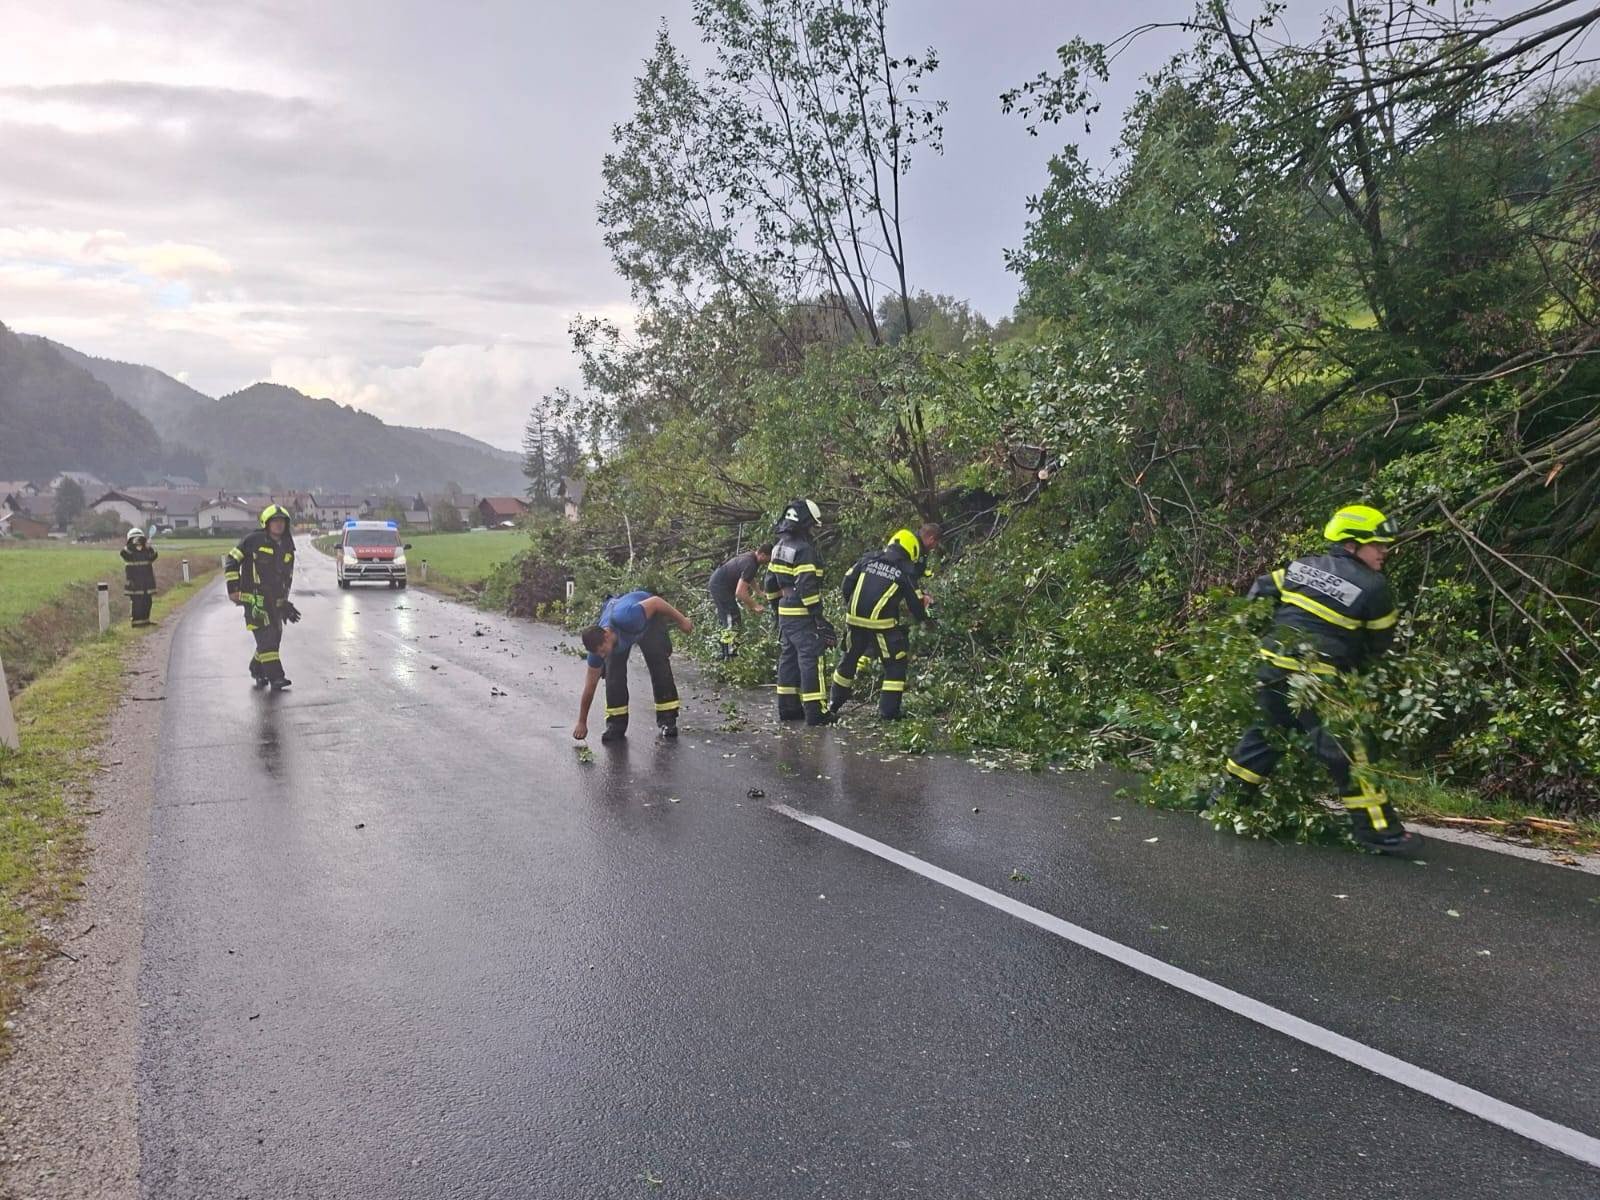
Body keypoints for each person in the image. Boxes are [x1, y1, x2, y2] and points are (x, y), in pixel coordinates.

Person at [1213, 504, 1422, 855]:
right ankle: (1379, 831)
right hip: (1318, 685)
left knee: (1264, 739)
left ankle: (1225, 801)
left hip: (1271, 672)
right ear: (1351, 544)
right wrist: (1357, 674)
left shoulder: (1300, 567)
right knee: (1352, 755)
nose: (1385, 551)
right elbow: (1378, 644)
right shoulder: (1374, 587)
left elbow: (1259, 593)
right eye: (1377, 544)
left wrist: (1264, 633)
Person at [829, 529, 933, 720]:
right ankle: (889, 713)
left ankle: (833, 704)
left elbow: (847, 583)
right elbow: (915, 605)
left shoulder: (868, 559)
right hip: (881, 625)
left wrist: (852, 605)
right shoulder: (905, 570)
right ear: (911, 549)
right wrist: (925, 618)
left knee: (849, 659)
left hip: (854, 620)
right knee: (895, 664)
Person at [573, 590, 693, 743]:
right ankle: (616, 725)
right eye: (599, 653)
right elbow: (589, 688)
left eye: (602, 650)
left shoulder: (628, 617)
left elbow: (656, 602)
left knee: (658, 663)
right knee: (613, 674)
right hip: (624, 631)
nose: (601, 655)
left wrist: (682, 621)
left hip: (649, 622)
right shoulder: (597, 651)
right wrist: (582, 722)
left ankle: (668, 721)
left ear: (606, 635)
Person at [763, 498, 836, 726]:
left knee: (789, 658)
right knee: (811, 657)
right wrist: (817, 616)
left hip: (785, 609)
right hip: (802, 612)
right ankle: (816, 711)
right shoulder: (804, 550)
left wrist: (776, 609)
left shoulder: (778, 547)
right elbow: (807, 586)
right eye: (812, 525)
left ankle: (788, 708)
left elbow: (769, 583)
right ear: (805, 523)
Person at [225, 504, 301, 691]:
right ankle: (276, 677)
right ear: (266, 523)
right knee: (267, 637)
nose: (278, 524)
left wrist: (284, 602)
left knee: (274, 637)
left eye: (282, 521)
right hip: (255, 599)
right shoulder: (253, 540)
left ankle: (256, 668)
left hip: (275, 601)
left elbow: (287, 576)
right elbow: (232, 560)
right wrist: (233, 589)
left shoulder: (287, 545)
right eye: (274, 521)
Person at [707, 546, 771, 660]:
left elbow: (748, 577)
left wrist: (759, 592)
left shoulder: (752, 559)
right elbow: (740, 592)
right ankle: (730, 654)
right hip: (720, 586)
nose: (768, 562)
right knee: (732, 618)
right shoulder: (750, 563)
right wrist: (755, 606)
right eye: (768, 558)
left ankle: (725, 653)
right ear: (762, 555)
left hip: (719, 584)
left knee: (727, 619)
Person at [120, 528, 159, 628]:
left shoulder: (146, 550)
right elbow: (123, 553)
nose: (138, 541)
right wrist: (132, 546)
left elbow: (153, 557)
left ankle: (146, 621)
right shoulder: (128, 551)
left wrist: (150, 547)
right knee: (137, 603)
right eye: (135, 539)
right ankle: (136, 623)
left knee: (147, 602)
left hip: (147, 582)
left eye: (139, 539)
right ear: (130, 540)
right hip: (134, 583)